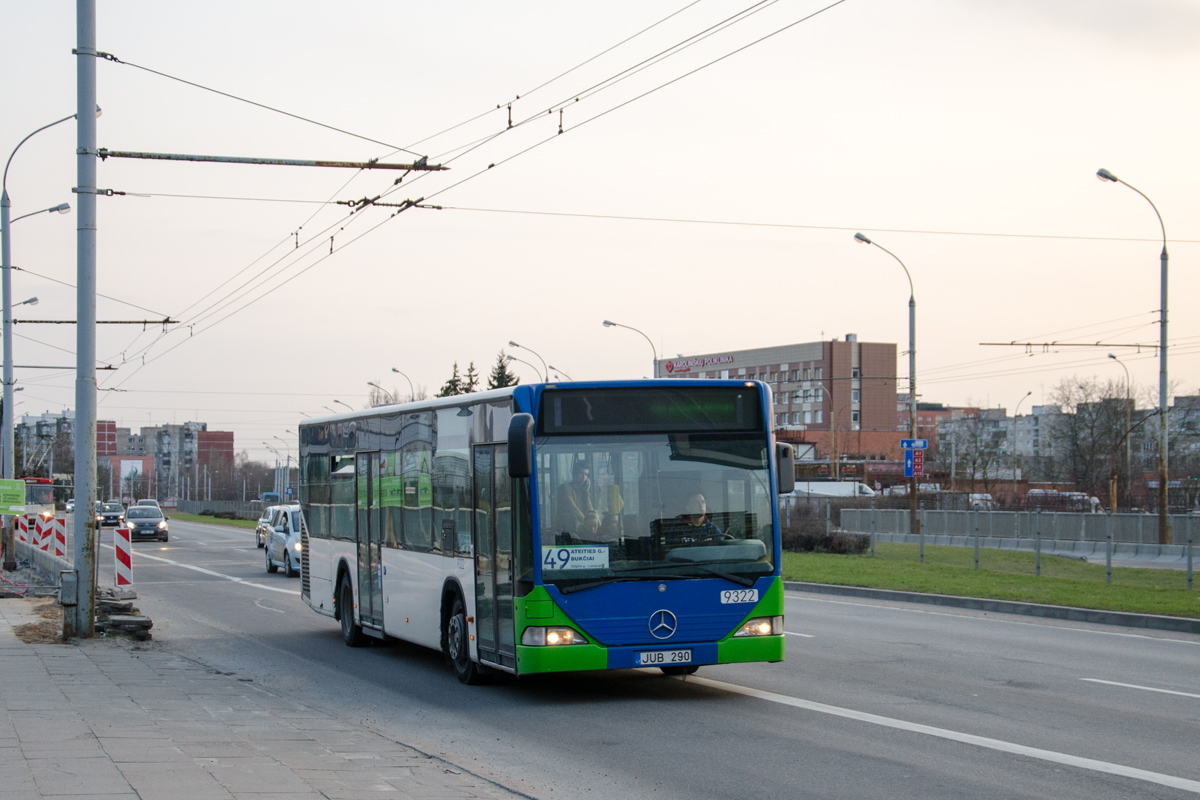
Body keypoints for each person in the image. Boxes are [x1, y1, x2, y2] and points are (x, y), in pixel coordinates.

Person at [659, 492, 724, 547]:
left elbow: (718, 554)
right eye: (696, 503)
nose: (701, 506)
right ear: (688, 508)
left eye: (703, 502)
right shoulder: (677, 530)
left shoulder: (713, 530)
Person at [554, 461, 594, 533]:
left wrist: (586, 493)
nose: (584, 477)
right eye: (581, 473)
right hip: (565, 532)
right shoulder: (565, 488)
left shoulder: (583, 492)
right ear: (574, 474)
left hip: (582, 532)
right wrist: (588, 523)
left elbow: (590, 513)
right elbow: (572, 509)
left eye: (586, 474)